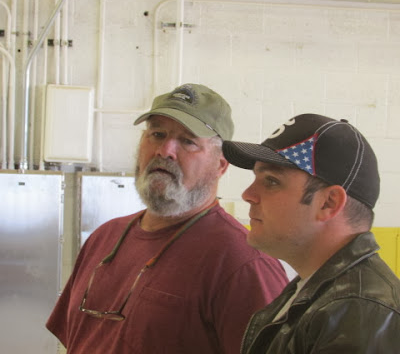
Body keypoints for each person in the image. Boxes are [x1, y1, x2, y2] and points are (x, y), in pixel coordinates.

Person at [46, 83, 288, 354]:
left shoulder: (243, 263)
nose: (165, 150)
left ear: (220, 166)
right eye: (157, 134)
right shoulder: (104, 237)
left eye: (187, 141)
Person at [222, 113, 400, 354]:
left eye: (271, 181)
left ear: (328, 203)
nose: (248, 195)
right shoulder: (320, 294)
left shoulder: (359, 313)